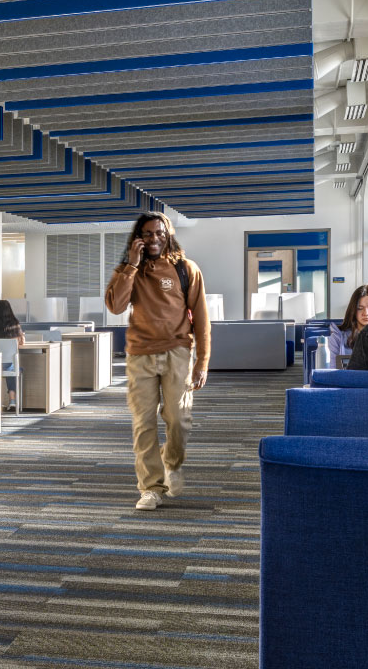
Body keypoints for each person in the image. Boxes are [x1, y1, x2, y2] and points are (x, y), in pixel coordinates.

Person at [103, 211, 210, 511]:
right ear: (138, 237)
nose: (154, 238)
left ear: (168, 235)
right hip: (140, 355)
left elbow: (202, 319)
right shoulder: (129, 270)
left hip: (178, 353)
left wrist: (202, 361)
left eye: (159, 233)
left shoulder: (186, 269)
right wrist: (131, 265)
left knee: (179, 420)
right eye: (148, 233)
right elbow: (115, 306)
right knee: (144, 423)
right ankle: (151, 487)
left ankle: (171, 463)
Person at [328, 284, 368, 365]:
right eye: (360, 308)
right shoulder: (338, 337)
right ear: (353, 310)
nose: (366, 313)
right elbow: (331, 369)